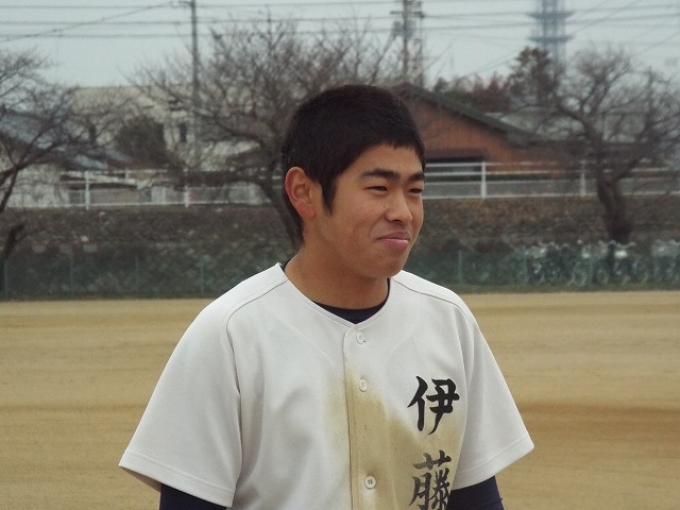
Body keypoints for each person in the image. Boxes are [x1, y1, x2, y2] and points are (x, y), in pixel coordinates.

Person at [119, 84, 533, 510]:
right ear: (303, 192)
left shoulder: (448, 319)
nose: (403, 212)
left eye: (415, 190)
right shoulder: (231, 333)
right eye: (379, 188)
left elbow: (476, 498)